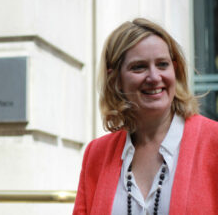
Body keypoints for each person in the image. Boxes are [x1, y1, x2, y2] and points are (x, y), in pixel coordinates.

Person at [73, 18, 218, 215]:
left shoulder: (213, 141)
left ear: (175, 70)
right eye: (139, 67)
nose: (154, 77)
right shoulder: (96, 154)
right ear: (115, 79)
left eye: (162, 64)